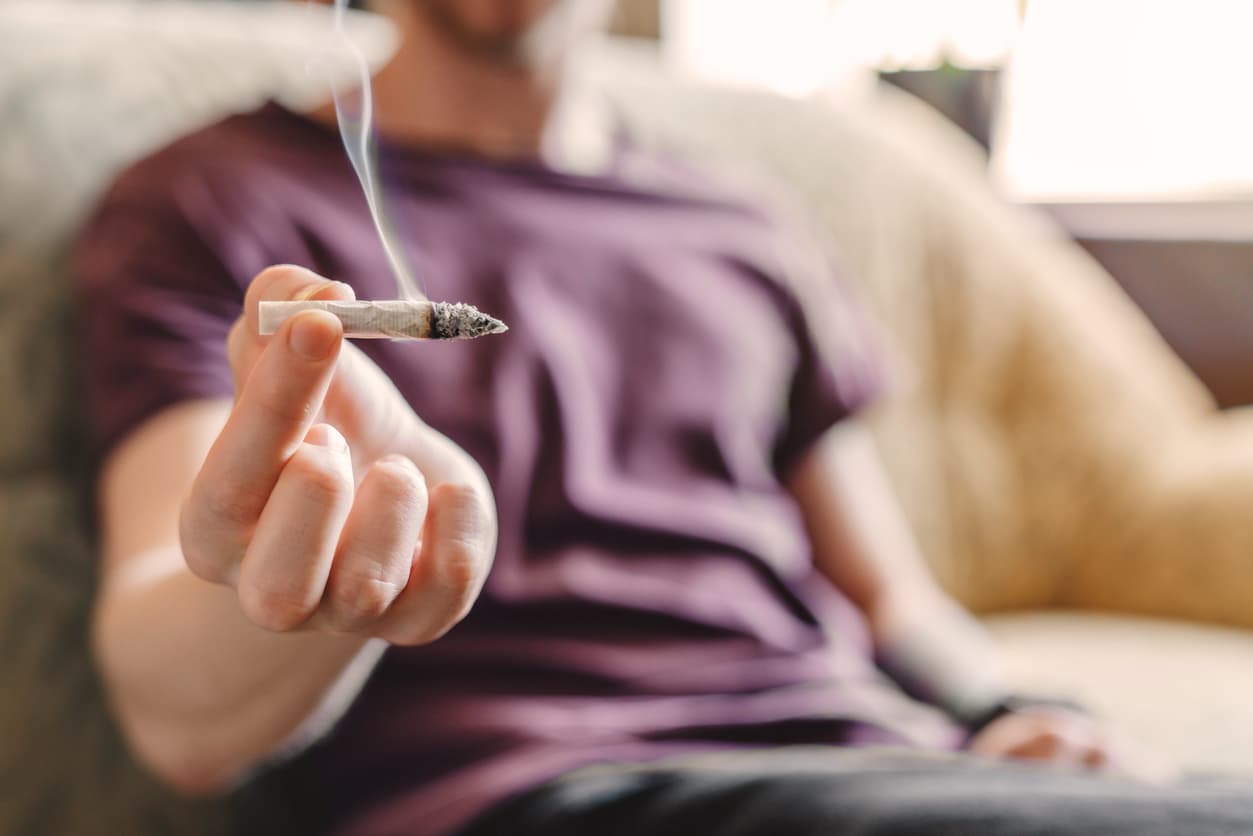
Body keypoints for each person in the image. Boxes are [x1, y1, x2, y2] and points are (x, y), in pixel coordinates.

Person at [75, 1, 1253, 835]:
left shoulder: (739, 223)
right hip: (557, 793)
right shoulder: (211, 203)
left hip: (879, 769)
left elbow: (890, 596)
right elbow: (176, 703)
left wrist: (1017, 711)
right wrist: (324, 586)